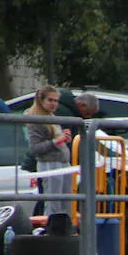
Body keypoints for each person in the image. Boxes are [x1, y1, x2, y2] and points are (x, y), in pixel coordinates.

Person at [26, 85, 74, 235]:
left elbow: (57, 140)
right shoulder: (34, 118)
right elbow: (35, 148)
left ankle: (65, 231)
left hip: (63, 163)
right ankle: (51, 233)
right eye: (50, 100)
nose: (54, 104)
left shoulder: (52, 117)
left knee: (66, 203)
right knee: (53, 203)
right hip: (49, 164)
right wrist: (56, 142)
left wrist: (64, 139)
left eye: (56, 101)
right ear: (41, 100)